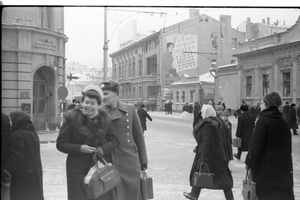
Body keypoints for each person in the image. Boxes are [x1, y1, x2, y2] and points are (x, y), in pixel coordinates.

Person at [56, 85, 119, 200]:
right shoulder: (72, 119)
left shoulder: (105, 120)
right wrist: (79, 148)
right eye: (86, 102)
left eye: (92, 103)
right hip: (77, 169)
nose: (88, 106)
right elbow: (60, 143)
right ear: (82, 103)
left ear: (99, 105)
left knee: (100, 196)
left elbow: (114, 141)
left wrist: (102, 149)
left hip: (99, 168)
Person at [99, 80, 148, 200]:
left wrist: (143, 159)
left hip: (129, 160)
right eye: (101, 94)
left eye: (106, 94)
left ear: (116, 94)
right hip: (109, 160)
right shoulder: (99, 112)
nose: (103, 97)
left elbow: (138, 136)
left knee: (131, 193)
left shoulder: (130, 109)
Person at [245, 91, 295, 200]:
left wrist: (249, 162)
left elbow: (256, 145)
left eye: (262, 103)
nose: (260, 106)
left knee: (265, 195)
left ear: (268, 104)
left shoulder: (263, 121)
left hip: (265, 169)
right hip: (282, 169)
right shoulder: (283, 121)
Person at [183, 104, 234, 200]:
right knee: (221, 177)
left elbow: (207, 142)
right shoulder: (214, 122)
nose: (201, 113)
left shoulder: (208, 125)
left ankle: (194, 194)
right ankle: (194, 194)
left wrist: (204, 159)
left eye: (202, 111)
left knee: (202, 171)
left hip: (210, 155)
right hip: (217, 154)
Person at [2, 111, 44, 200]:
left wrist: (7, 172)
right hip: (34, 174)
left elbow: (16, 157)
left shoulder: (16, 135)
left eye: (11, 121)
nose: (9, 123)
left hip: (21, 177)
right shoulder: (33, 133)